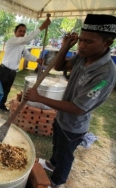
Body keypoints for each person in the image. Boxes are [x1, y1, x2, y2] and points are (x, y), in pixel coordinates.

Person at [24, 14, 116, 188]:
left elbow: (79, 108)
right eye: (80, 40)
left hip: (75, 125)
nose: (81, 46)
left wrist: (39, 98)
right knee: (58, 145)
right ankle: (51, 163)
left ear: (107, 43)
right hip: (62, 118)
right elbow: (59, 67)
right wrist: (65, 46)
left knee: (66, 156)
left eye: (89, 42)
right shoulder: (83, 56)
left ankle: (58, 182)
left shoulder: (105, 74)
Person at [0, 20, 51, 111]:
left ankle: (1, 105)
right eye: (20, 31)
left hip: (12, 72)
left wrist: (37, 59)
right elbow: (27, 39)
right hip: (3, 70)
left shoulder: (21, 46)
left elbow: (27, 55)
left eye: (24, 32)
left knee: (6, 90)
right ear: (15, 32)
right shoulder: (12, 40)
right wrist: (41, 28)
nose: (22, 33)